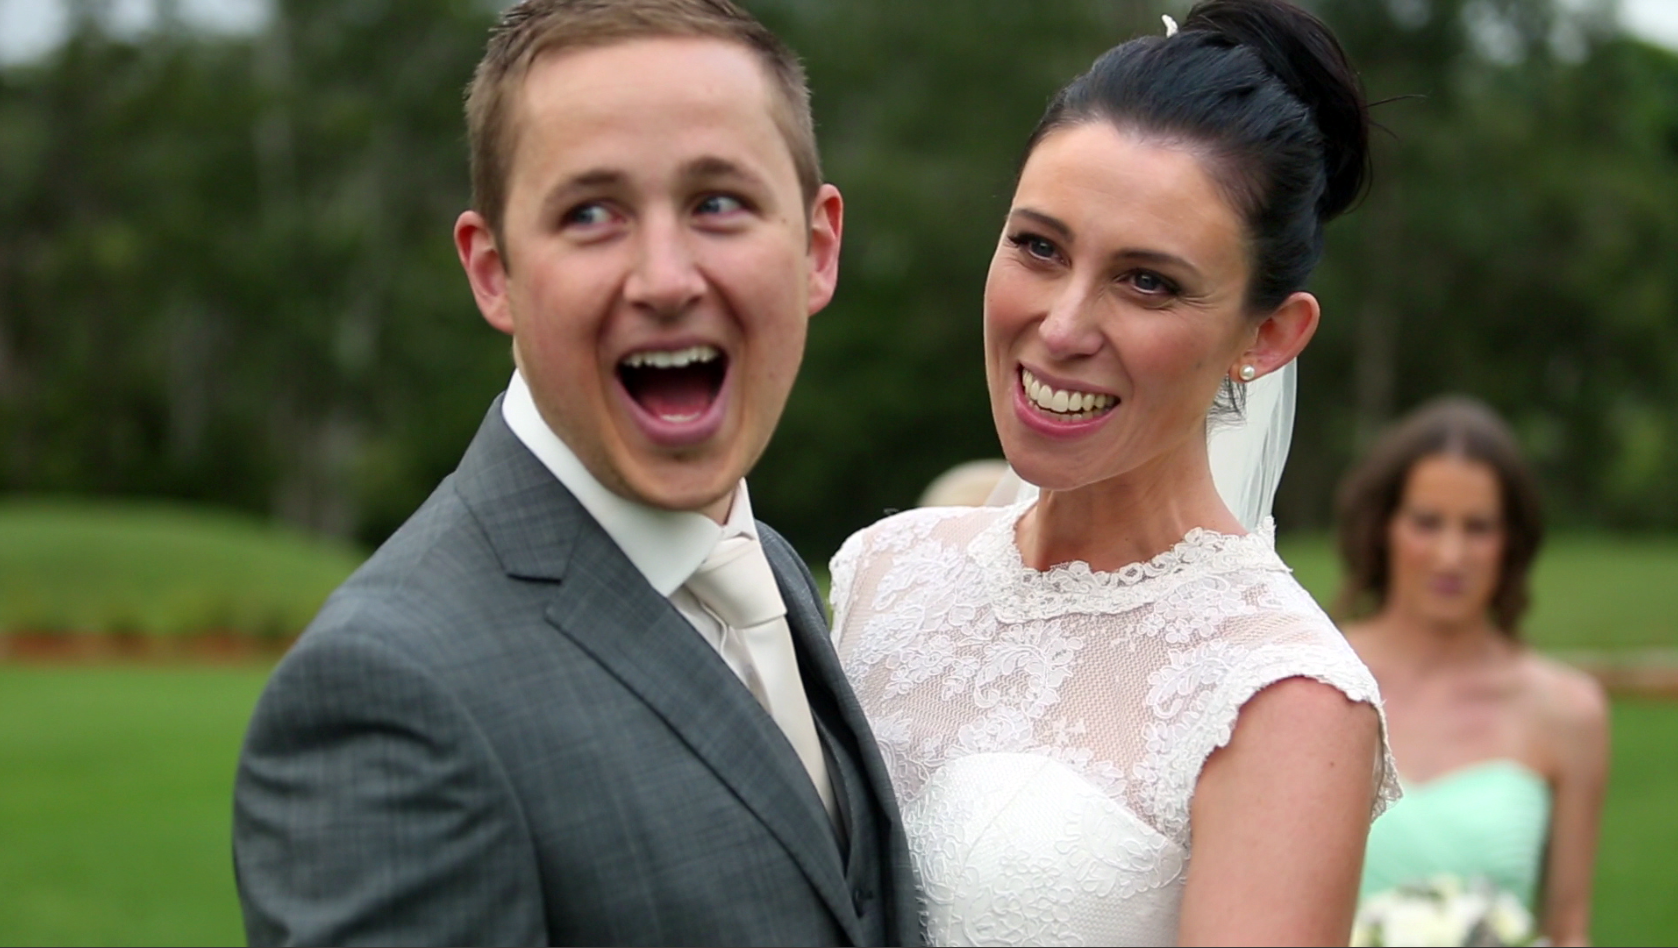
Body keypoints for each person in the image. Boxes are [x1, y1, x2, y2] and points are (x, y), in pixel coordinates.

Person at [232, 1, 920, 944]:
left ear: (816, 247)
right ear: (494, 272)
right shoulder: (386, 696)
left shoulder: (765, 566)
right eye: (590, 214)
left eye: (718, 202)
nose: (666, 278)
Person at [827, 2, 1399, 944]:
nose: (1061, 327)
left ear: (1267, 336)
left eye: (1147, 282)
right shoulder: (883, 574)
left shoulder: (1282, 697)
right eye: (1038, 247)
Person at [1336, 396, 1609, 946]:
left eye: (1478, 527)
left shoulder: (1568, 713)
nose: (1451, 556)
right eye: (1427, 523)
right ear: (1384, 526)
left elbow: (1568, 929)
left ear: (1512, 542)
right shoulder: (1319, 679)